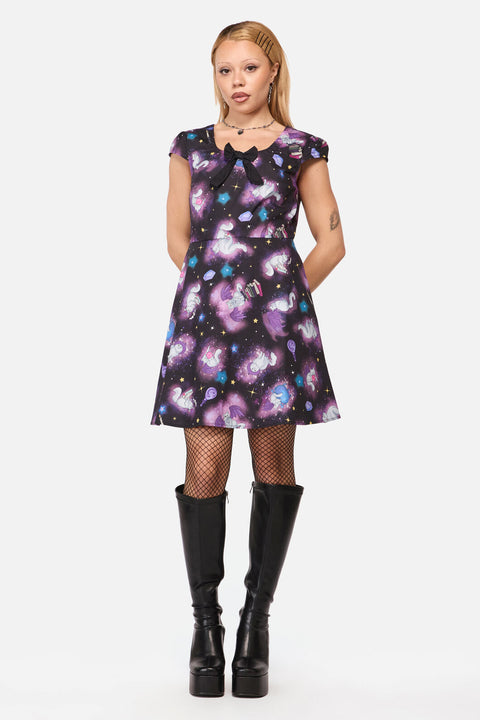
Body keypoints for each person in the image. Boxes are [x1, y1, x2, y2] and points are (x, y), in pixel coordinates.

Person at [150, 20, 346, 698]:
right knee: (203, 469)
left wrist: (277, 300)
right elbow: (178, 239)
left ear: (273, 72)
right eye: (225, 69)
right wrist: (220, 296)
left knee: (273, 467)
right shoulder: (189, 147)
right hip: (204, 327)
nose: (237, 81)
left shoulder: (301, 149)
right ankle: (205, 626)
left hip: (275, 333)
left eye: (250, 68)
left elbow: (331, 241)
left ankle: (255, 622)